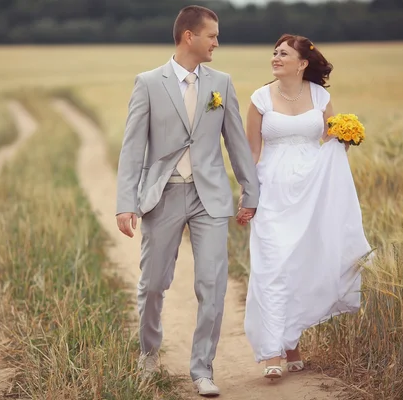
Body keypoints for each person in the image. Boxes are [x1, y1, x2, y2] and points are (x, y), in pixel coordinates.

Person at [115, 5, 260, 397]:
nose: (217, 42)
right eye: (212, 35)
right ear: (188, 37)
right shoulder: (147, 83)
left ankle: (203, 369)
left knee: (212, 284)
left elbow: (236, 142)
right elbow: (132, 149)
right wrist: (125, 202)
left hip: (208, 196)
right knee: (153, 284)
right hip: (161, 195)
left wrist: (251, 189)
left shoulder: (222, 83)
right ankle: (148, 353)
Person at [240, 34, 372, 379]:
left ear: (302, 63)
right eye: (274, 52)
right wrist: (247, 194)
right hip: (273, 190)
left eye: (283, 53)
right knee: (271, 266)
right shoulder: (258, 98)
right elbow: (251, 153)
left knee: (300, 265)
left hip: (311, 190)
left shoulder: (320, 95)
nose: (275, 57)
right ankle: (271, 351)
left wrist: (345, 137)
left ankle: (292, 344)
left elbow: (330, 145)